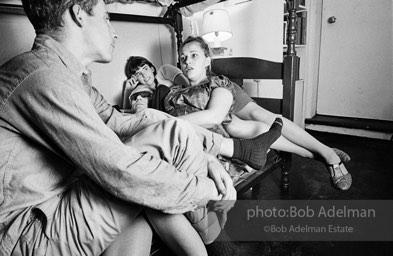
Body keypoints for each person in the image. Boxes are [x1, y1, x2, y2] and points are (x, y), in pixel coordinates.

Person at [0, 1, 284, 255]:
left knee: (148, 202)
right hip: (30, 232)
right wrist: (206, 189)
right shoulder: (45, 78)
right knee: (165, 148)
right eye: (107, 17)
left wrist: (206, 154)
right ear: (78, 15)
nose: (114, 31)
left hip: (61, 201)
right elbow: (119, 169)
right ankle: (217, 241)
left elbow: (120, 122)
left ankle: (216, 232)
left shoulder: (70, 77)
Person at [125, 36, 352, 191]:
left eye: (144, 67)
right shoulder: (146, 93)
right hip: (201, 109)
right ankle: (322, 153)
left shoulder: (168, 73)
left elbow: (187, 84)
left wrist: (175, 115)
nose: (186, 61)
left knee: (261, 116)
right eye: (184, 57)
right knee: (240, 126)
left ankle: (327, 154)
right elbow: (155, 103)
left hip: (212, 93)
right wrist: (135, 90)